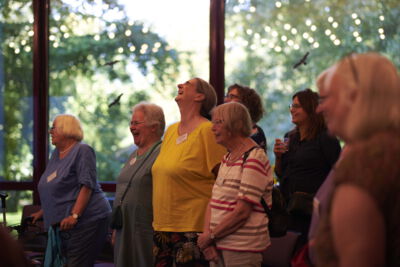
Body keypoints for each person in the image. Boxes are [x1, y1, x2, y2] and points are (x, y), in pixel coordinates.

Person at [314, 53, 400, 267]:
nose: (319, 108)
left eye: (327, 98)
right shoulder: (390, 147)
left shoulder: (365, 161)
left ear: (353, 97)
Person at [152, 77, 226, 266]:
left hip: (192, 228)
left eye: (188, 84)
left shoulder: (208, 130)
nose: (179, 85)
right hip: (162, 227)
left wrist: (211, 232)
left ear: (200, 96)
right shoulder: (170, 131)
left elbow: (224, 182)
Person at [198, 102, 273, 267]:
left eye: (219, 122)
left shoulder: (254, 158)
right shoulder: (227, 158)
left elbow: (242, 212)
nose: (213, 128)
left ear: (237, 125)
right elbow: (214, 201)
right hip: (217, 245)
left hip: (242, 249)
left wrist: (210, 237)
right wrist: (208, 239)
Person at [31, 114, 111, 266]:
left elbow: (87, 185)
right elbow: (57, 187)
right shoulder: (56, 154)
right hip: (65, 225)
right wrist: (43, 211)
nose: (50, 132)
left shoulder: (83, 151)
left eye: (53, 128)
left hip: (88, 220)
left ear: (65, 129)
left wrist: (75, 215)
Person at [273, 88, 341, 246]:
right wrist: (278, 157)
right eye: (291, 105)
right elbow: (281, 174)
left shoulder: (326, 137)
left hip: (312, 209)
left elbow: (338, 172)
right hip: (288, 208)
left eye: (297, 106)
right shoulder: (290, 137)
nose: (292, 109)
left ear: (311, 108)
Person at [112, 102, 165, 267]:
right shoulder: (133, 155)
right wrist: (115, 229)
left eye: (136, 123)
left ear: (154, 127)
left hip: (145, 230)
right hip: (123, 228)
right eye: (131, 123)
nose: (131, 127)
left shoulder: (162, 153)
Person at [225, 84, 267, 150]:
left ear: (246, 103)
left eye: (232, 97)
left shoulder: (256, 133)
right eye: (227, 96)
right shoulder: (226, 127)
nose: (226, 100)